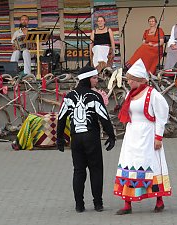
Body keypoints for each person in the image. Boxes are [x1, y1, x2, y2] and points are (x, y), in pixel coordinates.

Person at [114, 58, 171, 215]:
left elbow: (161, 114)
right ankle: (127, 203)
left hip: (148, 134)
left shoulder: (153, 94)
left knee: (152, 165)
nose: (128, 82)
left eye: (131, 79)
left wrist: (158, 136)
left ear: (139, 80)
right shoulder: (130, 95)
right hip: (132, 134)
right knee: (129, 165)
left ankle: (159, 201)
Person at [56, 66, 116, 213]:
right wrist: (111, 136)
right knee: (96, 170)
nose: (97, 80)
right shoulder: (94, 96)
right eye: (95, 78)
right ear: (88, 79)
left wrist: (59, 138)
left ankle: (79, 205)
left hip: (75, 138)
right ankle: (98, 204)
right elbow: (104, 117)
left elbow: (61, 118)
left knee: (78, 171)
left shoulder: (69, 96)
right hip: (91, 137)